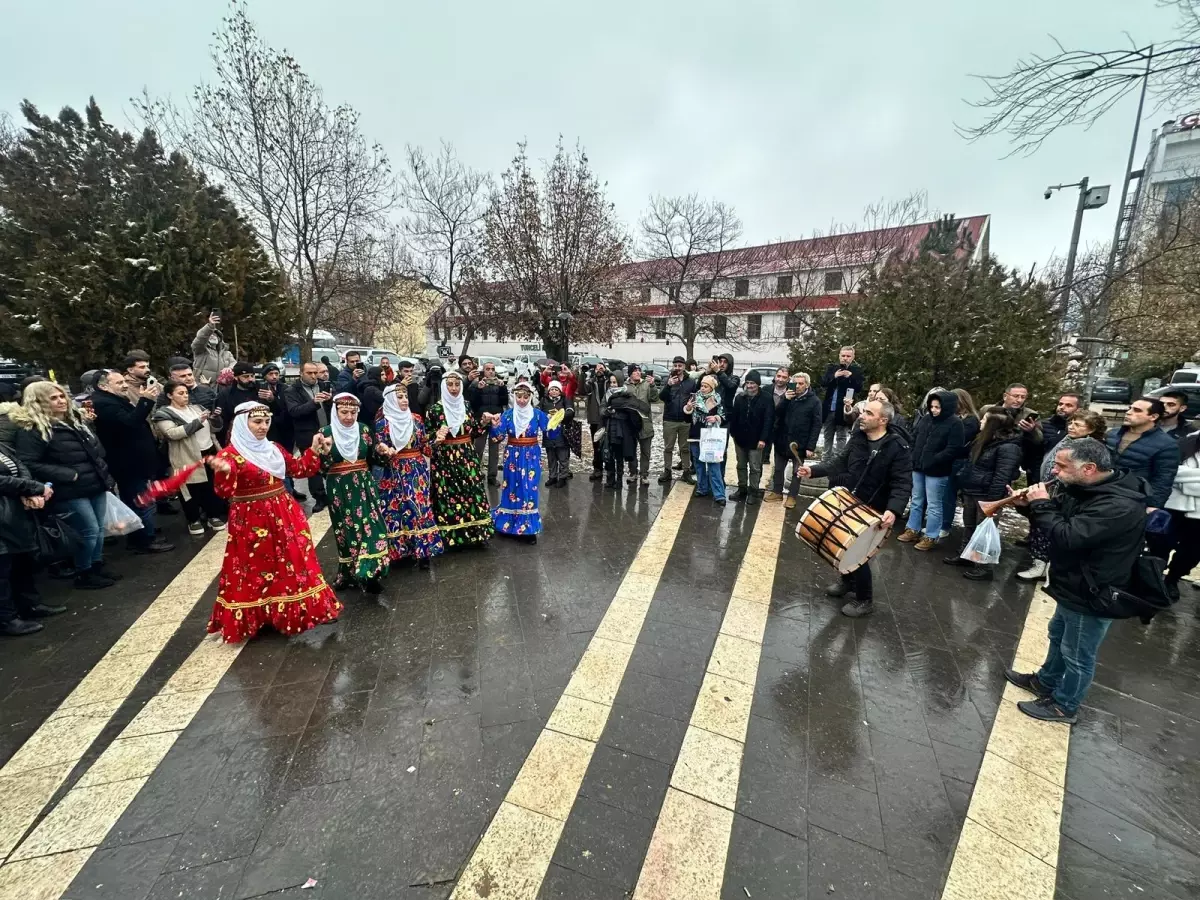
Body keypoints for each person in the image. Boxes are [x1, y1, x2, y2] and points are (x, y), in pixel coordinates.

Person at [1004, 438, 1149, 724]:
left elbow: (1068, 536)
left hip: (1093, 589)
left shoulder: (1117, 505)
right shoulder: (1086, 489)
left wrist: (1042, 505)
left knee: (1078, 653)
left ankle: (1064, 705)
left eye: (1061, 466)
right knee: (1058, 635)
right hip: (1073, 582)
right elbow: (1057, 517)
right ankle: (1046, 681)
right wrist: (1028, 506)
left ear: (1089, 469)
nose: (1055, 471)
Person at [207, 402, 343, 642]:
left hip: (284, 513)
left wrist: (314, 450)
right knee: (255, 567)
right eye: (257, 422)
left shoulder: (274, 449)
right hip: (250, 519)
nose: (263, 427)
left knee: (294, 561)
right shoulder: (229, 455)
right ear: (242, 424)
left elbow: (300, 470)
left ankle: (307, 610)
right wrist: (223, 471)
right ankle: (260, 616)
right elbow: (222, 491)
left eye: (266, 422)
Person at [797, 399, 912, 618]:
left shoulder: (898, 447)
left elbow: (902, 482)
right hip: (851, 501)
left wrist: (893, 510)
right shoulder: (859, 437)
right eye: (863, 412)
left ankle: (864, 599)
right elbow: (839, 462)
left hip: (875, 508)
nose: (862, 416)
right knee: (842, 543)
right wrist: (813, 471)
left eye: (868, 413)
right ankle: (847, 582)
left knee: (859, 553)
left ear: (883, 420)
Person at [1018, 410, 1109, 582]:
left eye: (1078, 424)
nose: (1071, 426)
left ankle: (1042, 566)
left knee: (1048, 529)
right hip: (1048, 488)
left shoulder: (1088, 448)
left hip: (1062, 492)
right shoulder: (1067, 439)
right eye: (1071, 423)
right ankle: (1040, 563)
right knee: (1039, 525)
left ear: (1091, 430)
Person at [91, 369, 173, 554]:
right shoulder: (103, 404)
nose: (125, 385)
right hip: (128, 463)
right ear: (104, 386)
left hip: (135, 461)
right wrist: (145, 401)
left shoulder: (113, 400)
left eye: (123, 382)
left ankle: (144, 531)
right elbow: (131, 422)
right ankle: (144, 539)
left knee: (139, 500)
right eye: (119, 383)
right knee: (140, 500)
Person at [319, 393, 391, 593]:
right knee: (346, 531)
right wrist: (323, 453)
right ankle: (349, 572)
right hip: (339, 488)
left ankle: (371, 573)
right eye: (344, 412)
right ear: (335, 412)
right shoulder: (325, 433)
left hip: (365, 485)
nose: (349, 417)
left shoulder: (364, 430)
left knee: (372, 526)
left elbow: (373, 457)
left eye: (353, 412)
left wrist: (382, 452)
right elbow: (320, 468)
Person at [944, 411, 1023, 580]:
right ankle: (966, 555)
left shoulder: (1008, 447)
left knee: (985, 531)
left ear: (993, 425)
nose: (980, 421)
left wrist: (993, 502)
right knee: (969, 525)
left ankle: (984, 567)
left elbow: (1002, 476)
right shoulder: (984, 441)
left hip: (987, 495)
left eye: (985, 419)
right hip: (972, 490)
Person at [374, 382, 444, 568]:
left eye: (405, 397)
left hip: (416, 471)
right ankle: (400, 550)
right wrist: (382, 450)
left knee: (418, 508)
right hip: (394, 471)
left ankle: (423, 552)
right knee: (395, 508)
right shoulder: (383, 423)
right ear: (390, 399)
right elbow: (378, 453)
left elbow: (424, 447)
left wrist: (436, 440)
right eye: (400, 397)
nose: (404, 400)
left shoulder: (416, 420)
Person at [425, 371, 496, 549]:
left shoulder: (466, 406)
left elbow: (473, 432)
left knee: (472, 492)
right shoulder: (435, 410)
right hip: (444, 459)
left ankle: (477, 534)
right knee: (447, 495)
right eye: (450, 385)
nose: (454, 388)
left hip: (466, 456)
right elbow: (426, 439)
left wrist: (484, 422)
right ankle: (451, 536)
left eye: (457, 385)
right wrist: (436, 436)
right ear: (444, 387)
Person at [0, 444, 63, 636]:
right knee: (1, 570)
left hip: (12, 513)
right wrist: (34, 487)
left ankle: (30, 605)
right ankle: (6, 619)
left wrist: (30, 492)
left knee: (21, 561)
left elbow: (20, 466)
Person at [152, 382, 227, 536]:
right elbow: (172, 433)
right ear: (169, 395)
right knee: (190, 490)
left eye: (186, 392)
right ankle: (194, 520)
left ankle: (213, 515)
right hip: (186, 455)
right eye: (180, 393)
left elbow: (214, 428)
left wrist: (215, 418)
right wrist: (198, 422)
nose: (185, 396)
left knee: (210, 487)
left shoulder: (197, 408)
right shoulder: (164, 413)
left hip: (208, 451)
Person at [897, 390, 964, 550]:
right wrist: (913, 455)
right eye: (932, 406)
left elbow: (954, 448)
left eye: (937, 407)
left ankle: (931, 535)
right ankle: (913, 528)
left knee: (934, 504)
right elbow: (915, 436)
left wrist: (935, 459)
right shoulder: (926, 419)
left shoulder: (955, 423)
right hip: (918, 467)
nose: (933, 410)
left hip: (937, 471)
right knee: (916, 500)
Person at [491, 383, 548, 542]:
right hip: (512, 456)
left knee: (529, 487)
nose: (522, 400)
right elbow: (498, 438)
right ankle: (508, 524)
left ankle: (528, 529)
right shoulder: (508, 415)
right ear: (514, 397)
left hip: (531, 455)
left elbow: (550, 431)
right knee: (511, 487)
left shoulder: (537, 415)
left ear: (531, 397)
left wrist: (555, 423)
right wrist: (495, 427)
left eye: (525, 396)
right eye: (519, 396)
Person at [1105, 397, 1181, 510]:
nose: (1128, 412)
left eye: (1137, 410)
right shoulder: (1112, 434)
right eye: (1130, 408)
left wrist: (1153, 506)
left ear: (1153, 416)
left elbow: (1163, 479)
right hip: (1102, 494)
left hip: (1133, 500)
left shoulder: (1166, 444)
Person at [765, 372, 822, 508]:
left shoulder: (814, 402)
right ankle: (777, 492)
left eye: (801, 383)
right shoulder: (788, 397)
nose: (797, 386)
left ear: (807, 385)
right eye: (795, 383)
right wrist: (785, 400)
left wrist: (810, 447)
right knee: (778, 469)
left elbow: (816, 425)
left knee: (797, 472)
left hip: (799, 444)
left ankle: (792, 496)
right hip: (782, 440)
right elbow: (777, 413)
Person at [285, 362, 334, 513]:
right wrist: (313, 402)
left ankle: (334, 494)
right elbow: (294, 411)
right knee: (313, 470)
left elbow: (333, 408)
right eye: (310, 373)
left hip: (327, 432)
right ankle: (319, 497)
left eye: (315, 373)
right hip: (307, 434)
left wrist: (330, 400)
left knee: (332, 465)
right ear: (301, 373)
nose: (314, 376)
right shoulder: (292, 390)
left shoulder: (324, 385)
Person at [1161, 426, 1200, 599]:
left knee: (1192, 551)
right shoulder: (1186, 441)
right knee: (1161, 543)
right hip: (1174, 505)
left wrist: (1186, 481)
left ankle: (1172, 579)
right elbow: (1171, 472)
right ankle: (1153, 578)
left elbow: (1181, 474)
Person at [729, 369, 774, 506]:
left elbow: (768, 420)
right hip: (740, 439)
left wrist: (763, 439)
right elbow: (734, 417)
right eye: (747, 382)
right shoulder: (739, 398)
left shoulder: (766, 398)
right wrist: (733, 433)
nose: (750, 386)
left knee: (755, 468)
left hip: (757, 440)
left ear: (758, 384)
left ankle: (753, 491)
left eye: (753, 383)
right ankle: (742, 489)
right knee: (740, 465)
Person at [983, 383, 1043, 483]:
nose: (1019, 400)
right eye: (1016, 396)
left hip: (1010, 459)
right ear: (1005, 396)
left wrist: (1032, 431)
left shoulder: (1029, 414)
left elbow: (1039, 440)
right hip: (985, 456)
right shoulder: (987, 409)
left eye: (1023, 397)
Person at [941, 388, 982, 534]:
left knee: (949, 495)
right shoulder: (954, 418)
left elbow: (956, 440)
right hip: (950, 460)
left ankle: (945, 526)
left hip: (960, 462)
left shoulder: (971, 421)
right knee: (945, 494)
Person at [686, 375, 727, 505]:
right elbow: (687, 415)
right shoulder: (694, 397)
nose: (702, 388)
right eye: (702, 385)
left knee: (713, 465)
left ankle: (719, 494)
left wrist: (716, 418)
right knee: (698, 464)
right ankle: (702, 488)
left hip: (710, 436)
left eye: (706, 386)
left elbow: (724, 415)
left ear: (712, 387)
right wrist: (688, 408)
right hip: (695, 434)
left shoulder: (717, 398)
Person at [467, 361, 509, 486]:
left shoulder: (500, 384)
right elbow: (473, 403)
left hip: (496, 420)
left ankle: (492, 476)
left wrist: (502, 388)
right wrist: (478, 389)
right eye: (488, 369)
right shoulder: (477, 384)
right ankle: (475, 474)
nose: (491, 371)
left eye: (493, 369)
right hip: (482, 420)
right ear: (483, 371)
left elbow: (504, 401)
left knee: (494, 450)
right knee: (478, 448)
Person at [819, 346, 864, 455]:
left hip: (843, 409)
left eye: (848, 356)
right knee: (827, 436)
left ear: (853, 357)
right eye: (843, 355)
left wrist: (850, 378)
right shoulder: (832, 368)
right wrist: (835, 376)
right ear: (839, 356)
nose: (845, 358)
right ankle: (825, 461)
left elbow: (858, 388)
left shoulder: (856, 371)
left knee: (841, 436)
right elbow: (823, 383)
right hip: (829, 408)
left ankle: (838, 462)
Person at [658, 357, 696, 485]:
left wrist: (691, 406)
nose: (678, 368)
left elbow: (694, 397)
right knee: (668, 447)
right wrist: (668, 385)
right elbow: (661, 397)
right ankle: (667, 471)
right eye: (675, 366)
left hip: (685, 419)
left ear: (684, 367)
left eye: (680, 366)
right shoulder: (668, 380)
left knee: (685, 448)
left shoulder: (690, 382)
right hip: (670, 419)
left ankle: (686, 471)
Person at [623, 364, 659, 487]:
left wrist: (653, 385)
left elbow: (654, 398)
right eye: (635, 371)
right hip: (630, 424)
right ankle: (633, 473)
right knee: (631, 450)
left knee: (645, 451)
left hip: (645, 424)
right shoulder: (625, 386)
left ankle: (644, 475)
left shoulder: (647, 384)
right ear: (630, 374)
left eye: (639, 371)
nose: (638, 373)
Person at [543, 380, 575, 487]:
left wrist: (561, 416)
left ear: (560, 391)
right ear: (549, 391)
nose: (554, 391)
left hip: (562, 434)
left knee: (563, 457)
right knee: (551, 458)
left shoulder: (565, 400)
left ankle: (562, 477)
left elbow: (570, 411)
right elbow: (538, 411)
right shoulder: (544, 400)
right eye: (552, 389)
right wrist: (546, 416)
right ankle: (552, 476)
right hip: (549, 435)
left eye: (556, 389)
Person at [583, 362, 611, 482]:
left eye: (601, 368)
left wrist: (607, 371)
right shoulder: (590, 382)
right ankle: (597, 469)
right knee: (596, 445)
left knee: (609, 444)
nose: (599, 369)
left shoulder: (609, 381)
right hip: (595, 418)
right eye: (597, 368)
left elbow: (617, 380)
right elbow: (581, 389)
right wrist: (582, 374)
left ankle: (610, 469)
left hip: (608, 417)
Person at [192, 312, 236, 385]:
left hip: (220, 387)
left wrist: (229, 368)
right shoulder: (201, 349)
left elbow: (235, 364)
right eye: (210, 335)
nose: (212, 336)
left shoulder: (227, 353)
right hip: (201, 385)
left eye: (215, 335)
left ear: (220, 338)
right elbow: (201, 338)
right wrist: (210, 326)